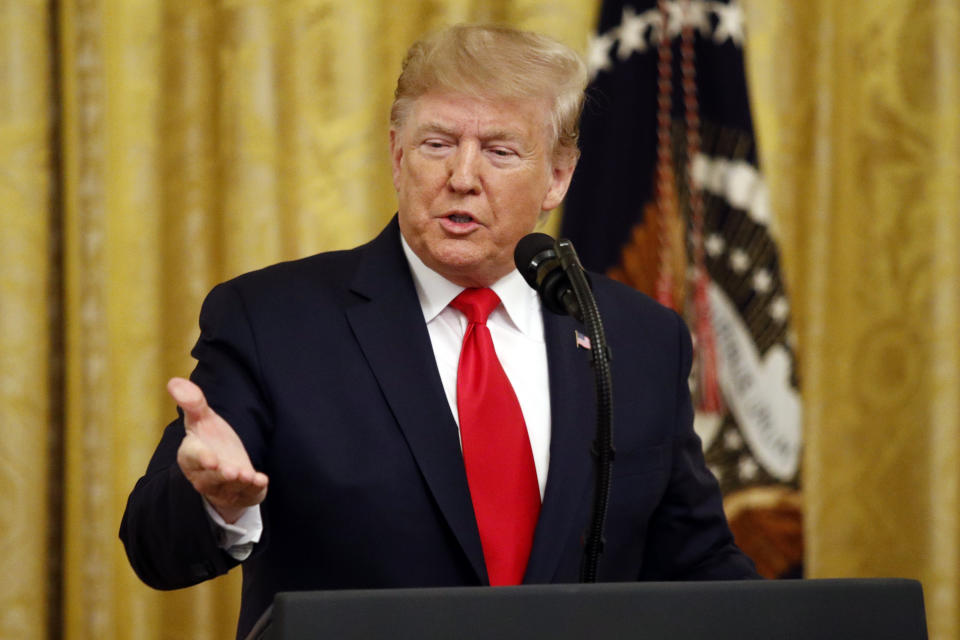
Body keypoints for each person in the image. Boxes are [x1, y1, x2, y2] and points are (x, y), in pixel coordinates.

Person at [120, 24, 757, 639]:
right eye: (437, 144)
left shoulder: (639, 338)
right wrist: (213, 501)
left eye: (500, 151)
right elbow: (156, 549)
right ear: (398, 156)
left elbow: (698, 563)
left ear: (558, 176)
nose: (462, 177)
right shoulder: (273, 321)